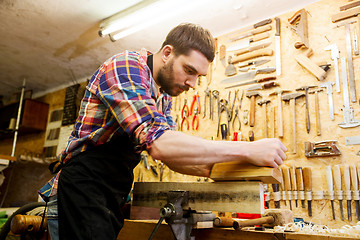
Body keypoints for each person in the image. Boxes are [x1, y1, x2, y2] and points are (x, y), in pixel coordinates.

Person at [39, 23, 287, 240]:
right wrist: (248, 149)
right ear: (167, 53)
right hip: (82, 186)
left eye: (198, 76)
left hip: (111, 193)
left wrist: (231, 170)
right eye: (189, 70)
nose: (192, 84)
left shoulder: (162, 96)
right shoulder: (126, 66)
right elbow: (159, 143)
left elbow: (170, 155)